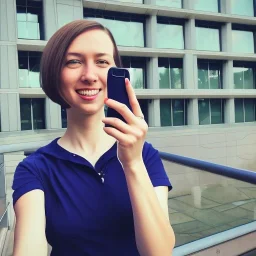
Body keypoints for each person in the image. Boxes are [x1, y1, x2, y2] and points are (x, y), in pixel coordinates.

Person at [12, 20, 175, 256]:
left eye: (102, 62)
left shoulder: (145, 155)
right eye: (74, 62)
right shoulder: (35, 169)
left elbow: (160, 252)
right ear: (54, 74)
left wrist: (132, 163)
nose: (89, 75)